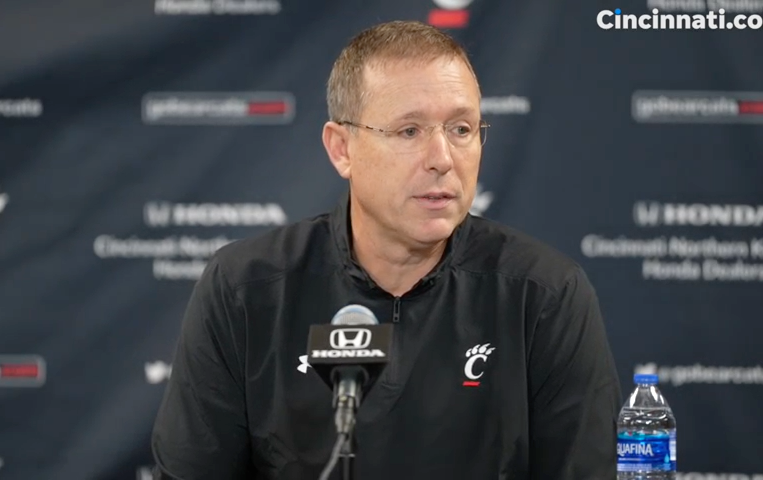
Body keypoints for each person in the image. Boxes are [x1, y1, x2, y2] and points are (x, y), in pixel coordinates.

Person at [151, 20, 622, 480]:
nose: (442, 158)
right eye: (409, 131)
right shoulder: (246, 288)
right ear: (342, 149)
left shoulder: (542, 294)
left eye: (461, 129)